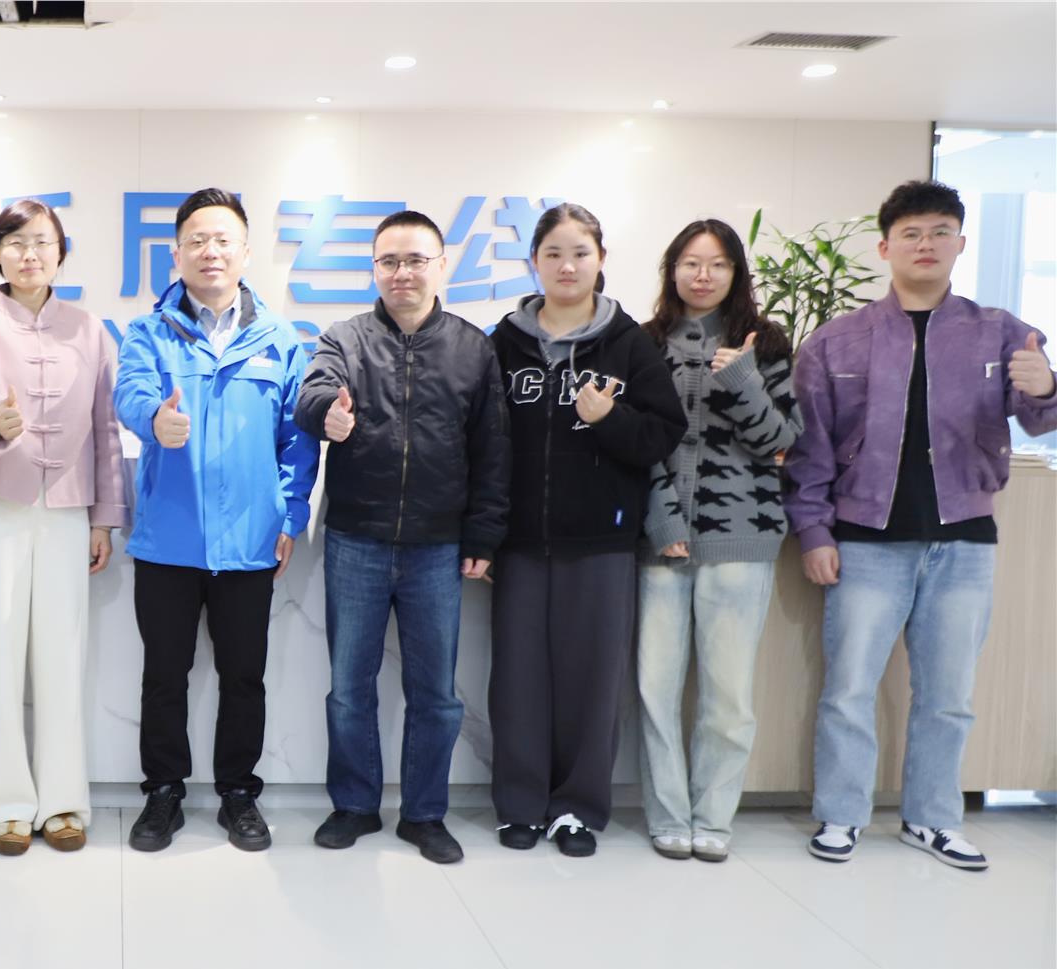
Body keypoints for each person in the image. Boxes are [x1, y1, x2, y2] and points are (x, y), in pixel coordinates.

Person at [788, 180, 1057, 870]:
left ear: (961, 243)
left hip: (964, 540)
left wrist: (1048, 386)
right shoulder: (836, 341)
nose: (926, 244)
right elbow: (811, 450)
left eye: (940, 231)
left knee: (949, 695)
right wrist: (814, 533)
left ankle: (932, 820)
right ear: (885, 248)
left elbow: (1041, 419)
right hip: (865, 540)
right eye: (911, 233)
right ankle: (841, 815)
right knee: (849, 689)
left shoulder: (1000, 331)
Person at [293, 209, 509, 863]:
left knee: (436, 694)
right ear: (374, 269)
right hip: (356, 538)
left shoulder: (473, 348)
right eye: (389, 261)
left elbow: (493, 451)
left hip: (438, 546)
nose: (402, 273)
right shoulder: (346, 338)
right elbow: (312, 394)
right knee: (349, 688)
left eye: (416, 260)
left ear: (441, 266)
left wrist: (483, 537)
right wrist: (326, 415)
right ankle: (355, 805)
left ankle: (424, 814)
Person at [112, 187, 319, 853]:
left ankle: (238, 793)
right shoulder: (148, 332)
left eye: (223, 239)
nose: (210, 251)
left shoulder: (279, 339)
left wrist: (291, 512)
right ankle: (162, 793)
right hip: (168, 540)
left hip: (251, 541)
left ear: (245, 252)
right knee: (163, 678)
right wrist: (156, 419)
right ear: (176, 254)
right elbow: (130, 393)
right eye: (196, 240)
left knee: (244, 677)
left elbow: (297, 438)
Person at [487, 203, 686, 857]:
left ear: (601, 260)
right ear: (534, 263)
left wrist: (608, 419)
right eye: (553, 253)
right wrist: (482, 534)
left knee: (592, 681)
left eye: (580, 253)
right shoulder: (504, 342)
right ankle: (520, 804)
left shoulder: (628, 342)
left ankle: (576, 808)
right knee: (517, 680)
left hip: (602, 540)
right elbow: (481, 441)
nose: (567, 266)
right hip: (519, 542)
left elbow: (662, 433)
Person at [0, 199, 125, 855]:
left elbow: (105, 428)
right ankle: (5, 804)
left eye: (42, 241)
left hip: (69, 510)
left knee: (62, 656)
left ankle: (63, 800)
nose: (29, 254)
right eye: (15, 242)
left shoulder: (90, 330)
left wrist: (106, 518)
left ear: (60, 252)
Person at [635, 218, 801, 864]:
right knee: (655, 689)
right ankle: (668, 815)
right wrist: (663, 522)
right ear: (672, 270)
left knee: (728, 696)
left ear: (736, 273)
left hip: (742, 539)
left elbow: (781, 441)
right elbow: (638, 444)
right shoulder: (645, 343)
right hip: (661, 541)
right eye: (691, 263)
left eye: (718, 264)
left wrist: (744, 380)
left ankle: (714, 816)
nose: (702, 276)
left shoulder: (767, 342)